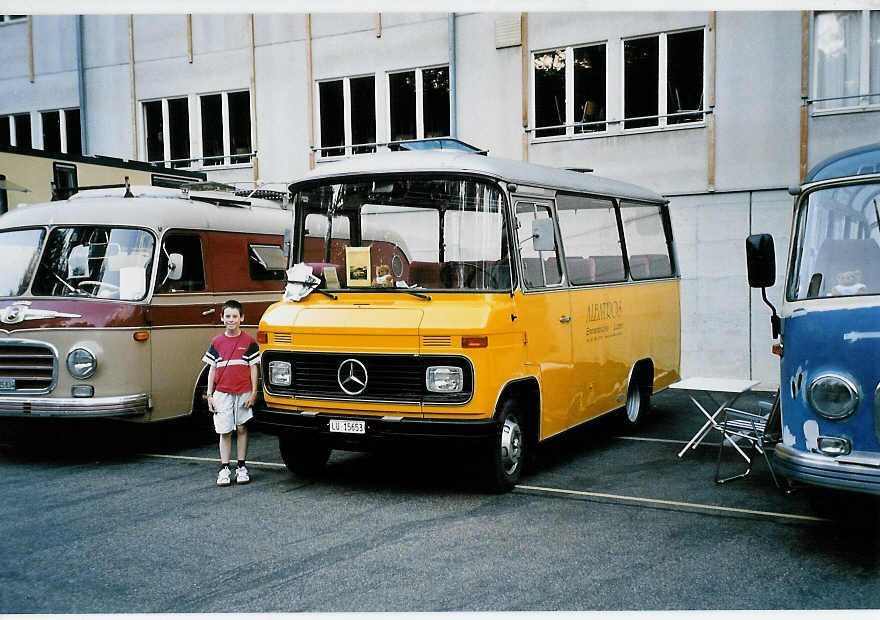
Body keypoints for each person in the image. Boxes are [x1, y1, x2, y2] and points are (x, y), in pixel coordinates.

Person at [202, 299, 260, 486]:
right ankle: (224, 468)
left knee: (242, 428)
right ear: (221, 318)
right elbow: (212, 369)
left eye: (235, 316)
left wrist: (253, 393)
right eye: (227, 316)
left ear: (241, 318)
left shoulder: (249, 341)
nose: (231, 320)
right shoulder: (217, 342)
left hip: (243, 391)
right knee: (225, 431)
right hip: (222, 393)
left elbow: (253, 368)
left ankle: (241, 466)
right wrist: (210, 395)